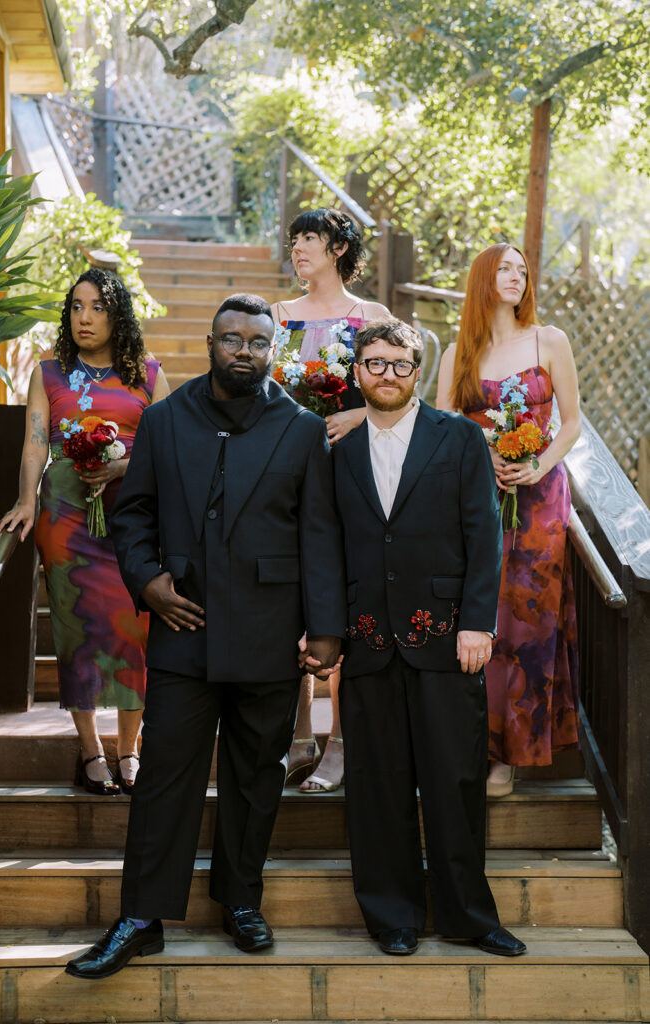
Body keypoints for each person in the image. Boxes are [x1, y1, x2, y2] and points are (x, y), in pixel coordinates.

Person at [65, 293, 345, 979]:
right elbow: (132, 517)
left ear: (271, 349)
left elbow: (319, 535)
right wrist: (148, 580)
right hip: (182, 625)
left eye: (257, 340)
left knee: (256, 778)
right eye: (232, 338)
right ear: (210, 342)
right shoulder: (164, 421)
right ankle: (141, 917)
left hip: (269, 629)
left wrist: (326, 631)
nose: (244, 350)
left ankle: (240, 901)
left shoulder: (303, 429)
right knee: (164, 778)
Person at [332, 317, 526, 957]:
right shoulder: (334, 449)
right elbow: (323, 544)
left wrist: (478, 621)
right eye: (375, 364)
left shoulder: (460, 439)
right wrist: (326, 631)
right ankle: (392, 916)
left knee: (455, 778)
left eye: (401, 364)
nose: (388, 375)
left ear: (418, 372)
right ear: (356, 371)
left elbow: (483, 536)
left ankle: (469, 915)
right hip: (367, 638)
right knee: (377, 781)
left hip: (447, 636)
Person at [0, 268, 169, 795]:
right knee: (77, 634)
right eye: (75, 307)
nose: (84, 317)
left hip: (134, 518)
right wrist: (27, 500)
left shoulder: (148, 372)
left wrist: (122, 466)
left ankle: (131, 748)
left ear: (118, 315)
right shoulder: (49, 373)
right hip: (67, 517)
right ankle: (90, 748)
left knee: (132, 629)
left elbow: (170, 445)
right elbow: (34, 443)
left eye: (96, 307)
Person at [436, 243, 580, 798]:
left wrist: (535, 465)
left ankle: (511, 755)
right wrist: (482, 455)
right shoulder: (457, 353)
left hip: (539, 499)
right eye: (505, 268)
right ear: (482, 278)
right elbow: (445, 427)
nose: (517, 276)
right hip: (476, 499)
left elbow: (571, 423)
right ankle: (471, 742)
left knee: (527, 622)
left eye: (523, 269)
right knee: (478, 612)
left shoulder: (551, 341)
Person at [271, 206, 390, 792]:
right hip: (289, 475)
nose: (298, 248)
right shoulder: (276, 316)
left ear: (339, 248)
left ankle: (339, 742)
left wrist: (359, 412)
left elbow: (401, 393)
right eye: (294, 239)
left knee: (344, 603)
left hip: (352, 473)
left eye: (310, 238)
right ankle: (297, 737)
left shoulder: (371, 316)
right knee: (292, 601)